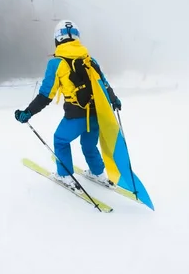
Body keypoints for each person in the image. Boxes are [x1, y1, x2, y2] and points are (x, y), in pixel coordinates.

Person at [14, 20, 122, 189]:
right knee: (88, 145)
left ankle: (65, 176)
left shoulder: (56, 63)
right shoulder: (90, 59)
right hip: (97, 113)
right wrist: (114, 100)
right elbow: (104, 84)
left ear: (57, 39)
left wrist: (28, 112)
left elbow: (45, 95)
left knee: (60, 140)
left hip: (75, 115)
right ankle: (98, 173)